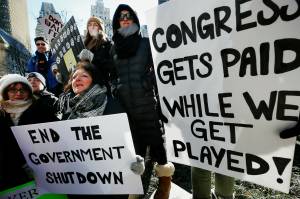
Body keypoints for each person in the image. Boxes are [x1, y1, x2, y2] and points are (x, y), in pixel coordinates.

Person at [111, 4, 175, 199]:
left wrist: (148, 82)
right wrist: (116, 88)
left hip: (147, 103)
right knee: (134, 152)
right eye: (121, 16)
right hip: (127, 108)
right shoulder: (113, 48)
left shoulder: (146, 43)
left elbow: (161, 68)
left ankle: (164, 188)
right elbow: (111, 75)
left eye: (129, 15)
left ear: (135, 19)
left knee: (158, 147)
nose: (125, 18)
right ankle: (136, 192)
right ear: (117, 21)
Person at [56, 61, 145, 198]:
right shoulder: (67, 110)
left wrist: (134, 159)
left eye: (84, 76)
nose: (77, 79)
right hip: (80, 184)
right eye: (74, 77)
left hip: (110, 185)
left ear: (94, 80)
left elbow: (128, 137)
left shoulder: (111, 104)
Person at [0, 74, 58, 191]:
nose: (18, 93)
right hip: (12, 180)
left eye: (23, 89)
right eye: (12, 89)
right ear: (5, 93)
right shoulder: (2, 115)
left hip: (48, 172)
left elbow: (58, 137)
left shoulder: (42, 108)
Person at [78, 16, 122, 114]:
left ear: (100, 28)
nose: (92, 27)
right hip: (85, 89)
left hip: (101, 88)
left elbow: (112, 66)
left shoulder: (107, 44)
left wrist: (93, 59)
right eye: (89, 25)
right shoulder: (83, 45)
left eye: (95, 25)